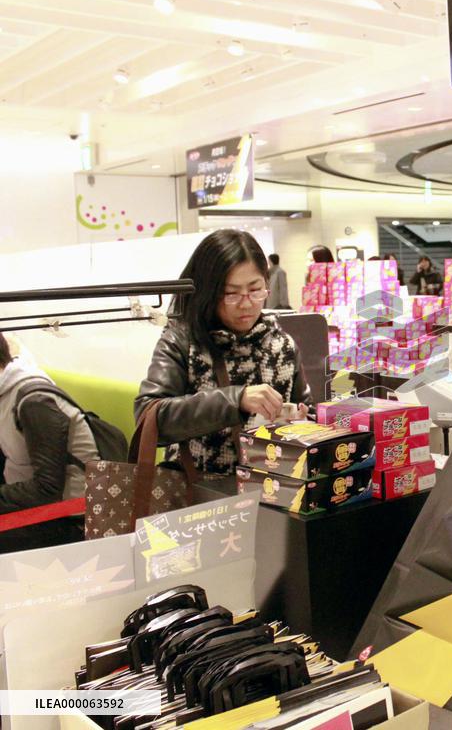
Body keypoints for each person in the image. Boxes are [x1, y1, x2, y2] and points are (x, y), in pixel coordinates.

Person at [136, 230, 311, 475]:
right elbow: (148, 418)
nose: (246, 303)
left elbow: (306, 409)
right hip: (196, 489)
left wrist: (303, 421)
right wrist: (235, 400)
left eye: (255, 290)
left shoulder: (282, 345)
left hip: (270, 487)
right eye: (231, 293)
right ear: (207, 292)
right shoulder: (183, 341)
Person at [0, 332, 99, 549]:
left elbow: (47, 489)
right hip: (37, 510)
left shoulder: (34, 402)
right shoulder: (6, 394)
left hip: (70, 517)